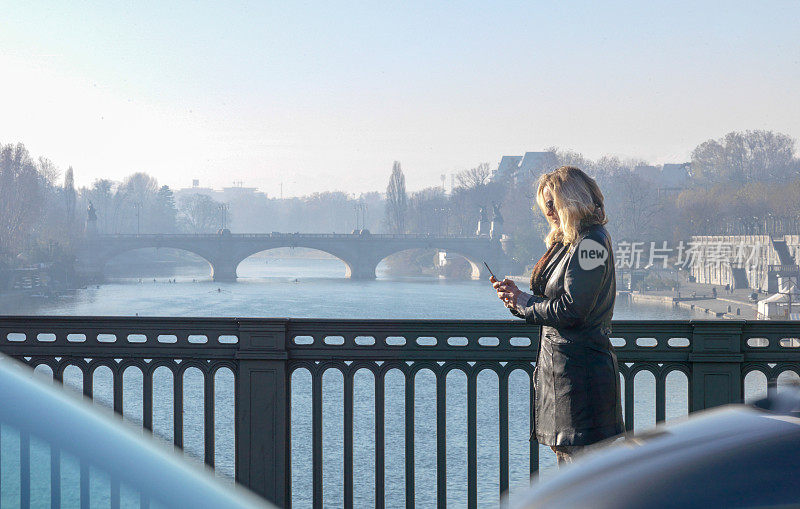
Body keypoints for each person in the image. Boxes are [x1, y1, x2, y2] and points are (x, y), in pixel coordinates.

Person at [492, 166, 624, 466]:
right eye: (545, 205)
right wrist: (517, 300)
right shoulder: (571, 242)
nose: (548, 211)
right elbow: (555, 303)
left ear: (572, 200)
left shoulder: (591, 244)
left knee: (587, 484)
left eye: (553, 203)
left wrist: (525, 302)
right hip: (566, 378)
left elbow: (574, 310)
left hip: (582, 382)